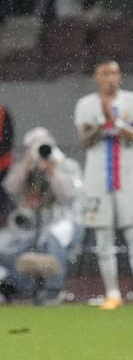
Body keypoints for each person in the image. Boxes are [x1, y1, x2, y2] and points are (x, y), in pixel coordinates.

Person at [74, 60, 133, 309]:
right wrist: (102, 123)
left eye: (114, 73)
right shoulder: (86, 105)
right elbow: (84, 141)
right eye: (105, 73)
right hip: (97, 180)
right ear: (96, 77)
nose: (110, 78)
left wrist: (117, 124)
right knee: (103, 237)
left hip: (128, 178)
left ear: (121, 76)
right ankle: (113, 294)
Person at [0, 127, 82, 304]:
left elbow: (70, 195)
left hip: (61, 222)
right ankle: (24, 287)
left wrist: (52, 171)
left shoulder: (67, 165)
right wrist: (26, 165)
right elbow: (10, 188)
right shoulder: (26, 167)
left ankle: (53, 289)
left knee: (53, 238)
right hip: (30, 227)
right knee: (3, 245)